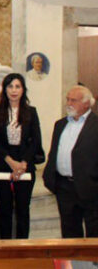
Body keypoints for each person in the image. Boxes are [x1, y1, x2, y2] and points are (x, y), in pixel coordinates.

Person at [0, 73, 43, 239]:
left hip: (24, 165)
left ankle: (23, 249)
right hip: (3, 163)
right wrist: (10, 161)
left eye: (17, 86)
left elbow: (36, 141)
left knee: (23, 209)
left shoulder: (31, 112)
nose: (14, 90)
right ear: (4, 90)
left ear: (23, 90)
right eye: (10, 86)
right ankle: (5, 248)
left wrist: (23, 163)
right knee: (4, 209)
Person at [43, 85, 98, 238]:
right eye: (68, 99)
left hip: (90, 188)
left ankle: (93, 262)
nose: (68, 103)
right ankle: (72, 262)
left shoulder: (95, 125)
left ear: (86, 103)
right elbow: (54, 153)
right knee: (69, 233)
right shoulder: (60, 125)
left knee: (94, 232)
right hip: (64, 187)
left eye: (74, 100)